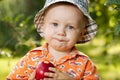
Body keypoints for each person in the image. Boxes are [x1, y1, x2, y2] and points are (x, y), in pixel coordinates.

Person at [7, 0, 100, 80]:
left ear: (81, 33)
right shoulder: (31, 58)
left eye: (70, 27)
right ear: (43, 26)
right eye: (55, 24)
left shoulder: (85, 64)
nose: (61, 32)